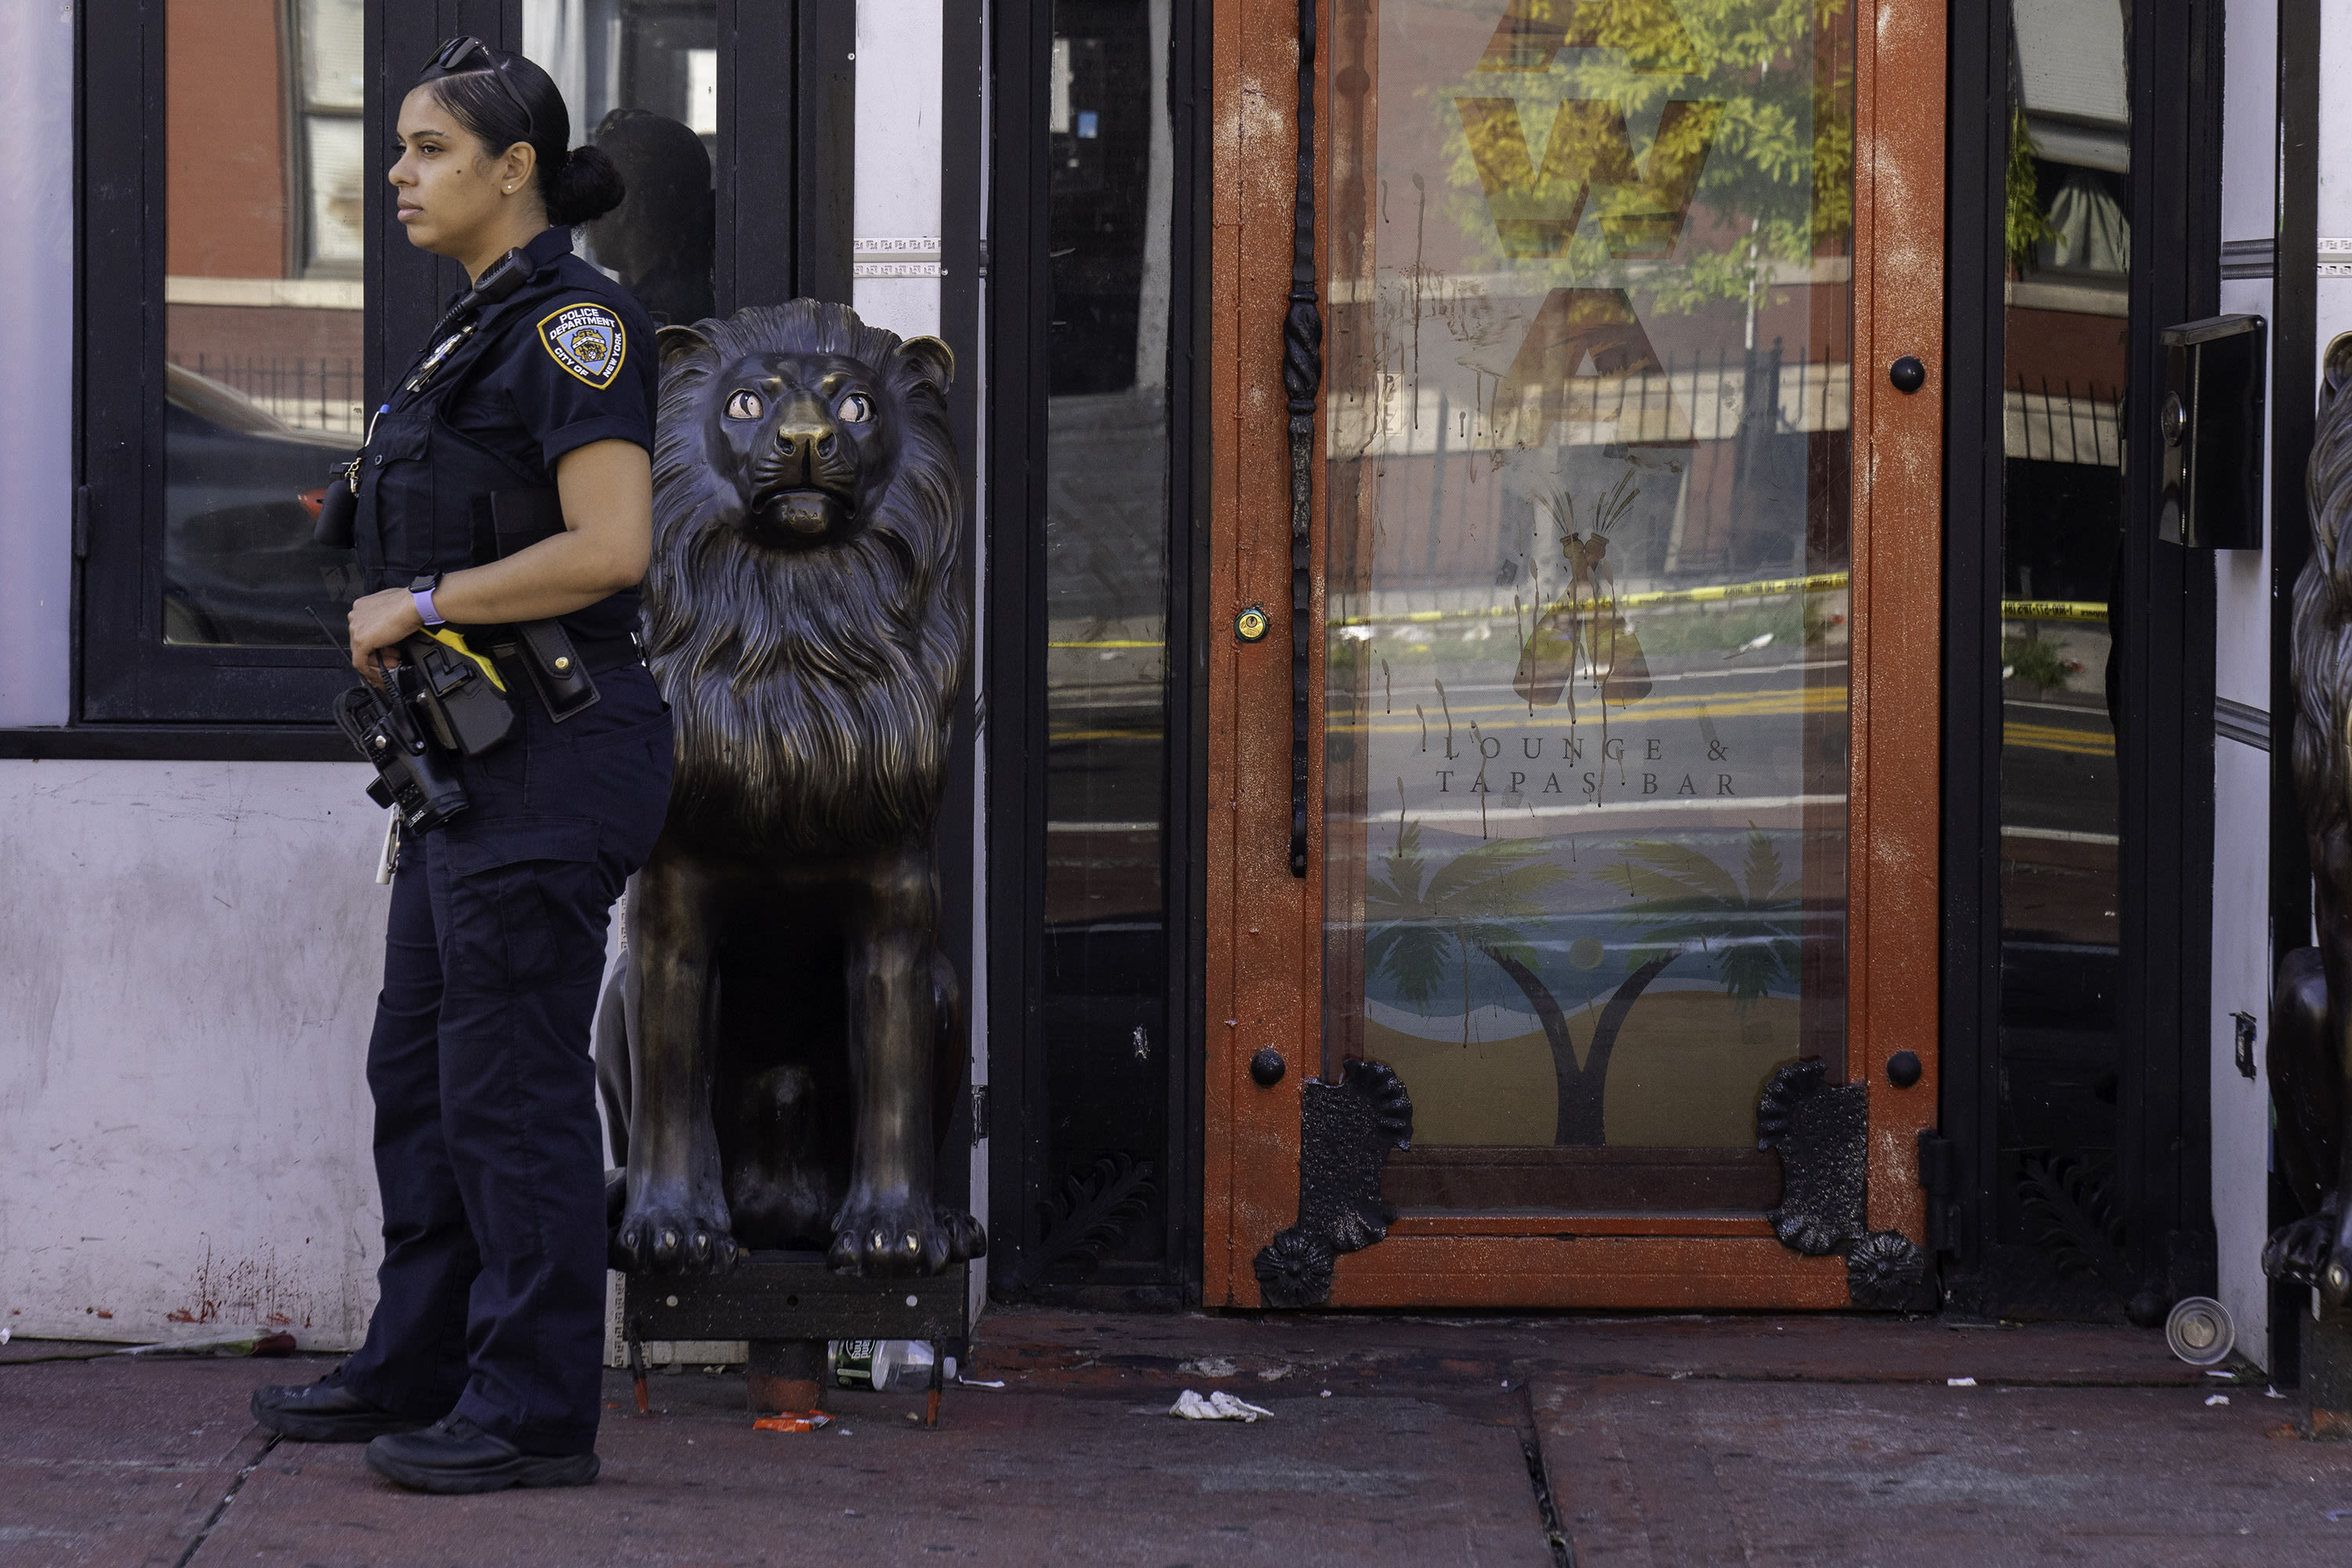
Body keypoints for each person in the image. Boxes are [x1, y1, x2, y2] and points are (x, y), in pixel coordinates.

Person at [248, 38, 671, 1495]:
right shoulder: (472, 332)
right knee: (424, 1076)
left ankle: (536, 1410)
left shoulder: (575, 329)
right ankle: (421, 1361)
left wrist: (419, 605)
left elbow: (613, 547)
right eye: (400, 147)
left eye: (429, 150)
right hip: (466, 768)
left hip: (553, 755)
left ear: (515, 171)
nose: (398, 174)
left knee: (509, 1085)